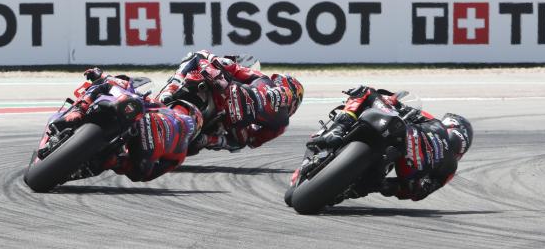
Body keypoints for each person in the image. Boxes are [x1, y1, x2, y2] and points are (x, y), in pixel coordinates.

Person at [300, 86, 473, 202]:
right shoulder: (447, 161)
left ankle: (338, 132)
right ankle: (338, 129)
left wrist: (395, 187)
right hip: (389, 135)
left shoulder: (442, 150)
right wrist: (396, 188)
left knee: (365, 91)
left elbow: (419, 191)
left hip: (390, 155)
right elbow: (420, 193)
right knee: (366, 92)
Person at [56, 68, 203, 182]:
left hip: (142, 120)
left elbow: (127, 90)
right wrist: (121, 164)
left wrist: (100, 76)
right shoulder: (180, 154)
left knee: (110, 85)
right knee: (139, 171)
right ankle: (113, 160)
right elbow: (148, 175)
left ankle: (80, 108)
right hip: (145, 148)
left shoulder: (163, 108)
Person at [157, 50, 304, 152]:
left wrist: (245, 127)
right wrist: (219, 66)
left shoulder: (279, 125)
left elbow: (253, 141)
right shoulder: (261, 79)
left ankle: (206, 139)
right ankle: (169, 90)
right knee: (195, 57)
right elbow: (235, 69)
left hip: (231, 121)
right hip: (220, 91)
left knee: (239, 143)